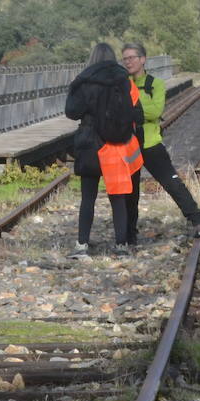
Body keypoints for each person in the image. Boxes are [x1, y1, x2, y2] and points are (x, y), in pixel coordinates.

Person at [121, 42, 200, 240]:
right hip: (128, 145)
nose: (127, 62)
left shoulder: (155, 84)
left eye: (131, 58)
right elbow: (127, 112)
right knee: (130, 192)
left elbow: (156, 111)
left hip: (150, 143)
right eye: (124, 58)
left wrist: (131, 107)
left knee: (172, 182)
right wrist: (138, 110)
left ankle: (198, 220)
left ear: (142, 59)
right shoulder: (121, 84)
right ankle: (128, 235)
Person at [65, 42, 144, 257]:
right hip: (116, 144)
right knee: (117, 197)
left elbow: (71, 112)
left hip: (90, 143)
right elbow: (137, 113)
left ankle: (82, 245)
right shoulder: (124, 80)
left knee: (88, 197)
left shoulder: (84, 81)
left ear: (92, 58)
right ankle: (121, 245)